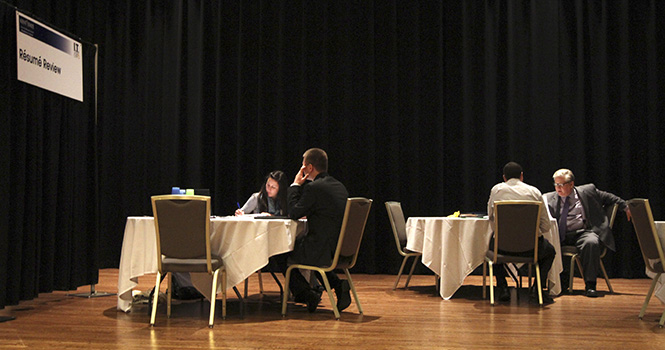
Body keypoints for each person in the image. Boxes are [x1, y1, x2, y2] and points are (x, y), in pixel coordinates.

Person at [282, 148, 351, 313]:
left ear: (309, 168)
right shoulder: (339, 186)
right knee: (313, 253)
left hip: (322, 249)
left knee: (279, 251)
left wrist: (295, 185)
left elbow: (293, 213)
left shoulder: (315, 188)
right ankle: (337, 284)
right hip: (340, 248)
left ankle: (307, 294)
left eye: (303, 165)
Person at [544, 168, 631, 297]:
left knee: (591, 242)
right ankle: (556, 283)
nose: (558, 188)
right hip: (560, 235)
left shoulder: (587, 191)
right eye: (556, 184)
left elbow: (609, 197)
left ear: (571, 184)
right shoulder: (548, 197)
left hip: (583, 232)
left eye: (561, 185)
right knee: (546, 245)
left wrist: (625, 206)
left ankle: (590, 285)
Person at [487, 162, 556, 303]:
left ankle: (503, 288)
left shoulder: (496, 190)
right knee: (550, 252)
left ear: (504, 177)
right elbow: (546, 226)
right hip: (531, 248)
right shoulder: (534, 192)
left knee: (491, 245)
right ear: (522, 176)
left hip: (502, 248)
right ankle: (537, 290)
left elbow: (491, 216)